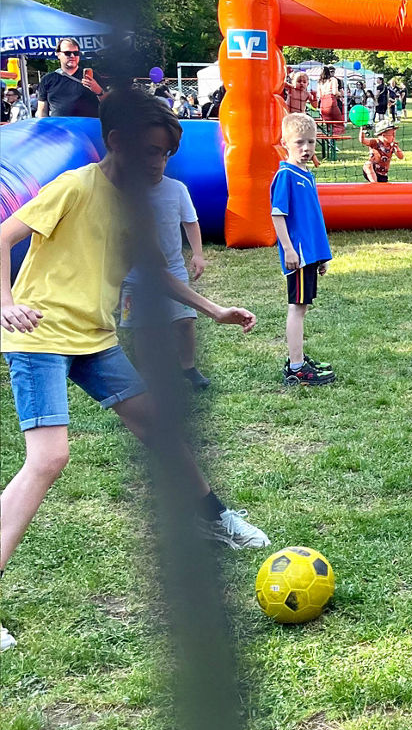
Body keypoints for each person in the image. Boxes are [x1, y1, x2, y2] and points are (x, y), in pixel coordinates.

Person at [1, 89, 272, 650]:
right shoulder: (76, 186)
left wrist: (214, 310)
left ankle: (211, 516)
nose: (159, 164)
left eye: (166, 154)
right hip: (40, 335)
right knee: (48, 459)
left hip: (94, 338)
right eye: (150, 151)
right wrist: (4, 301)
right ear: (117, 142)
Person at [118, 136, 212, 390]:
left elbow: (190, 222)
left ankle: (188, 367)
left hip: (173, 270)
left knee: (185, 321)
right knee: (141, 328)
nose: (153, 165)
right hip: (135, 276)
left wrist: (198, 254)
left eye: (159, 159)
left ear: (166, 160)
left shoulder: (177, 189)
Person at [271, 113, 336, 387]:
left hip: (310, 255)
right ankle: (296, 368)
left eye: (311, 142)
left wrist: (320, 255)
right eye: (299, 142)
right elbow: (278, 214)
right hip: (297, 256)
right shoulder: (285, 175)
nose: (306, 148)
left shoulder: (306, 175)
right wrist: (288, 249)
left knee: (303, 306)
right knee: (296, 307)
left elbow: (312, 219)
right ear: (285, 142)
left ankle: (298, 357)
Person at [36, 39, 103, 118]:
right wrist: (45, 125)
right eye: (67, 53)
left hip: (88, 125)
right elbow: (42, 111)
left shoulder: (92, 76)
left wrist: (99, 91)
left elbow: (110, 104)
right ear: (58, 54)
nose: (72, 56)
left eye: (76, 53)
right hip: (59, 125)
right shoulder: (47, 80)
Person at [359, 118, 404, 183]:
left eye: (394, 134)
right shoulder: (375, 142)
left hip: (383, 174)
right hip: (372, 170)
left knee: (383, 186)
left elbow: (401, 157)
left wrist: (396, 148)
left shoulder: (391, 146)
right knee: (368, 164)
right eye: (392, 134)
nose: (394, 137)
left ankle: (377, 186)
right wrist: (362, 131)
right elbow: (363, 140)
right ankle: (375, 184)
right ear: (383, 135)